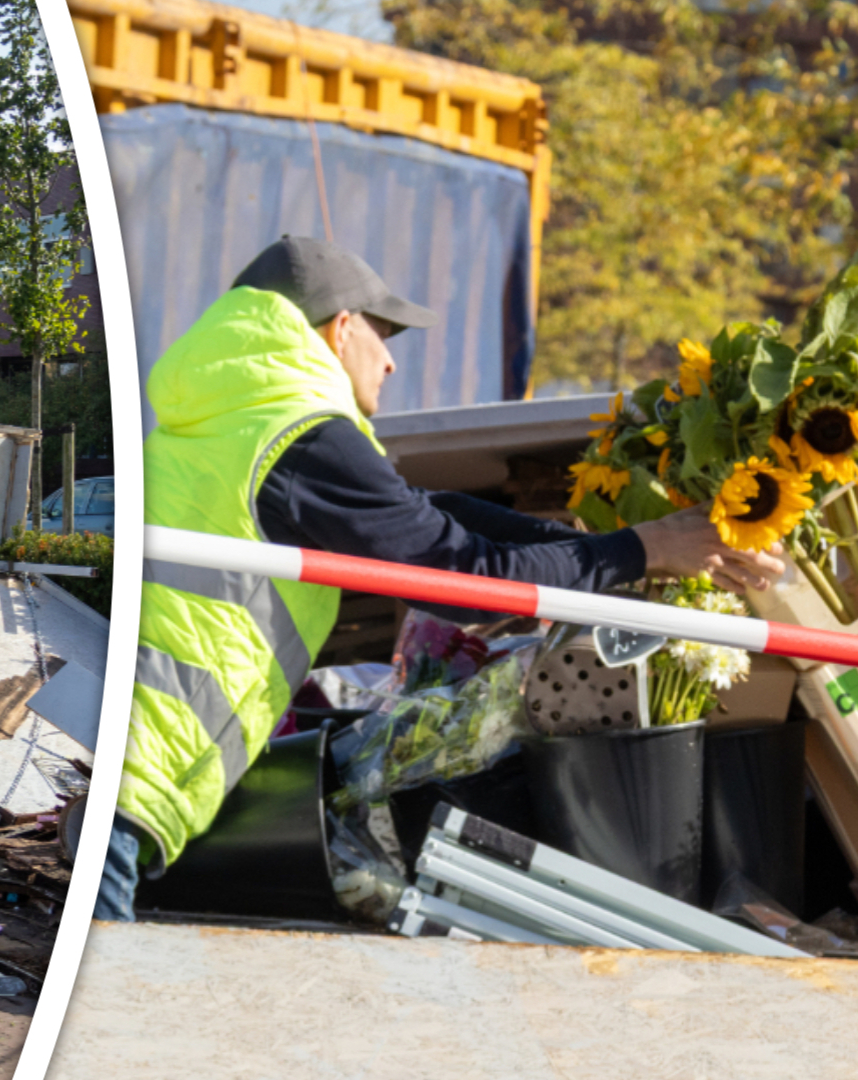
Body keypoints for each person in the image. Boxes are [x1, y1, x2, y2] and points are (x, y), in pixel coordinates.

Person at [96, 236, 784, 921]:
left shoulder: (224, 424)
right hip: (142, 768)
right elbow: (459, 578)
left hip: (125, 757)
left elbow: (426, 514)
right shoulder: (302, 436)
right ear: (341, 328)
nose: (392, 359)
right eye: (384, 333)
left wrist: (599, 546)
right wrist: (644, 550)